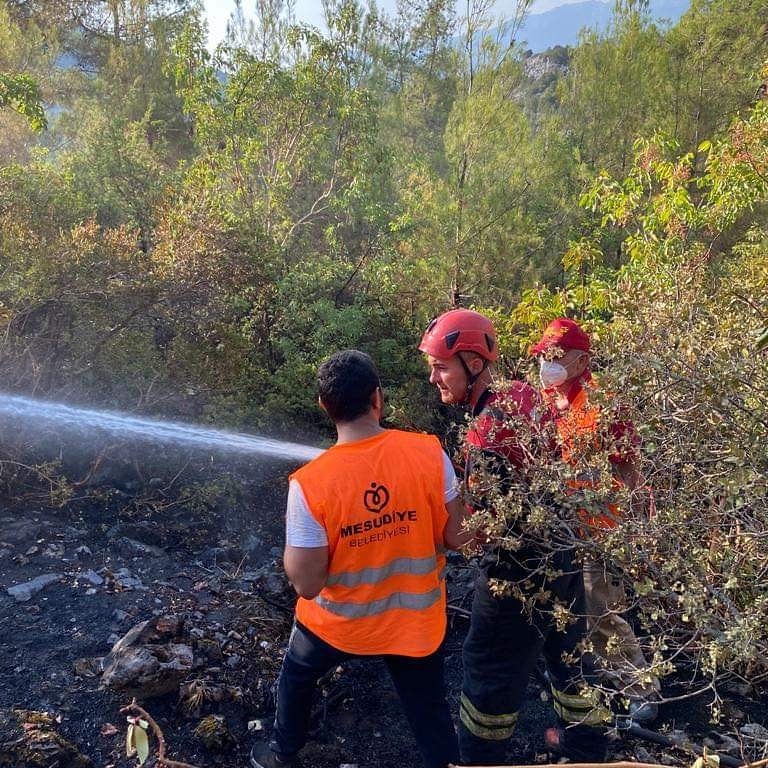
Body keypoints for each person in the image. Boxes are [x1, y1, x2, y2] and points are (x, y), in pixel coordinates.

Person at [250, 349, 467, 768]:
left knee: (297, 675)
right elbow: (458, 537)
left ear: (324, 407)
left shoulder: (310, 484)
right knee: (430, 716)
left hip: (340, 629)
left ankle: (281, 753)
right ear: (378, 398)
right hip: (415, 625)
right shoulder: (428, 452)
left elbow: (307, 585)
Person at [419, 309, 608, 768]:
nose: (433, 378)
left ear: (475, 364)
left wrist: (434, 505)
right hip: (562, 557)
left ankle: (481, 759)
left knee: (488, 670)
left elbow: (468, 536)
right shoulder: (524, 395)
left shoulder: (485, 431)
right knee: (571, 657)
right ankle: (587, 751)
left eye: (441, 367)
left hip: (514, 575)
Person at [531, 316, 661, 723]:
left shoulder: (603, 404)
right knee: (568, 608)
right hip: (560, 526)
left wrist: (640, 521)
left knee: (600, 611)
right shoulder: (548, 399)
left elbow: (629, 469)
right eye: (543, 355)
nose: (546, 362)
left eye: (555, 355)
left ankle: (643, 689)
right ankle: (596, 676)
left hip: (599, 527)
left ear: (580, 359)